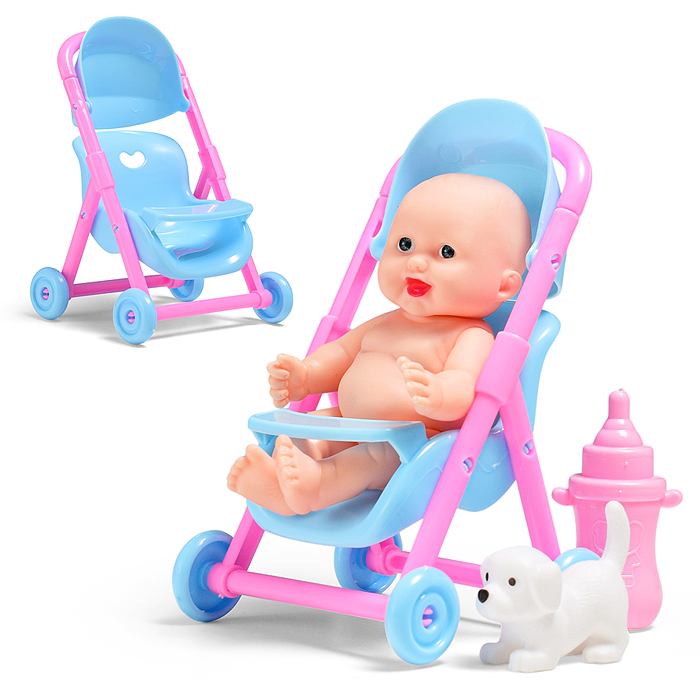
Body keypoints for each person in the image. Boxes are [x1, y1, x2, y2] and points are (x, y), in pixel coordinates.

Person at [228, 173, 531, 515]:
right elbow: (342, 353)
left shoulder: (471, 335)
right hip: (350, 421)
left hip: (413, 443)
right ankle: (285, 483)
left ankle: (316, 486)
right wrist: (307, 376)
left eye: (446, 252)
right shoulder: (387, 321)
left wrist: (439, 395)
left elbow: (464, 384)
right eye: (404, 245)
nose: (415, 262)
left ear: (504, 287)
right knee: (306, 431)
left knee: (372, 456)